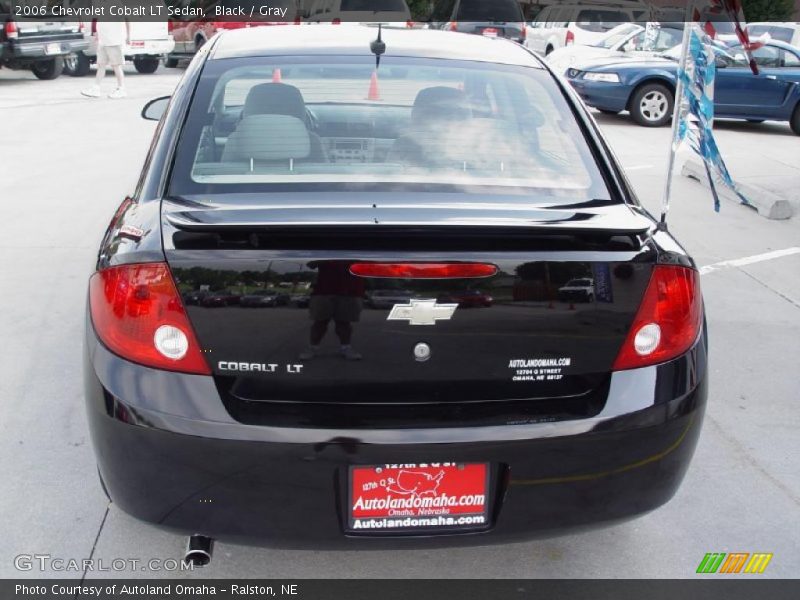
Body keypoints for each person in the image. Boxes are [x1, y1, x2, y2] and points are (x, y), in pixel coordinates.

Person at [299, 261, 364, 361]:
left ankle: (346, 348)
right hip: (323, 290)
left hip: (350, 291)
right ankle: (312, 348)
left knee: (344, 323)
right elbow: (311, 264)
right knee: (319, 322)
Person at [81, 7, 130, 99]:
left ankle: (121, 89)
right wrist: (96, 33)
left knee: (116, 66)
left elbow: (126, 18)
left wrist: (128, 36)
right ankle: (96, 88)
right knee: (101, 65)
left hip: (114, 41)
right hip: (103, 41)